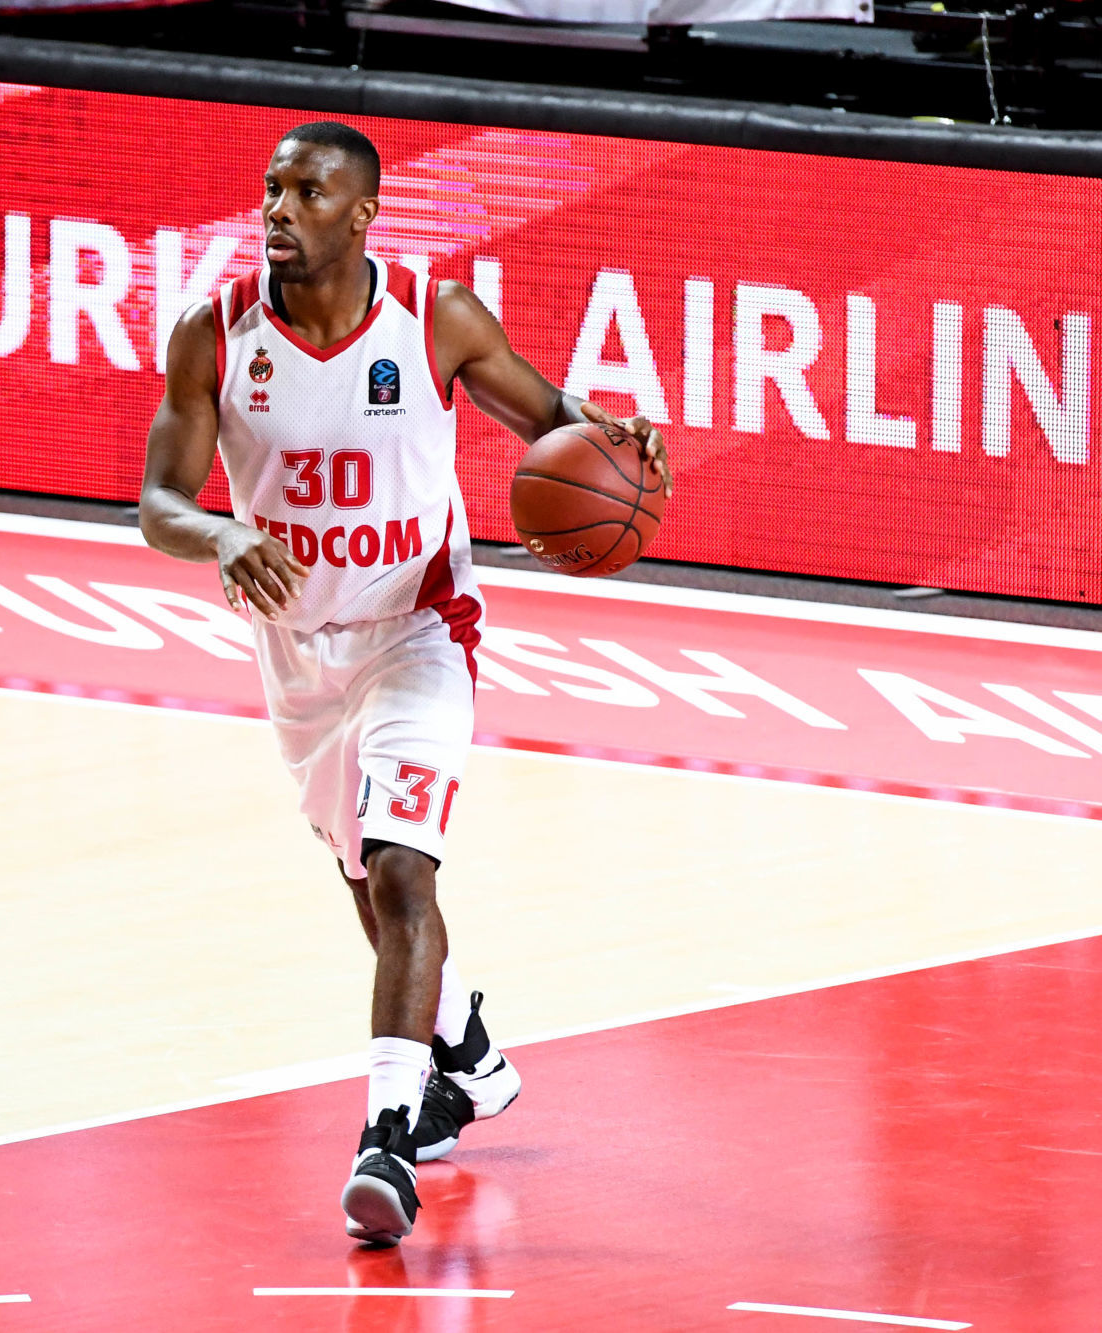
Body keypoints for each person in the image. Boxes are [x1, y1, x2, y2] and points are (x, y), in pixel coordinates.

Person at [138, 121, 669, 1246]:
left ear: (363, 213)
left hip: (417, 630)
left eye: (308, 192)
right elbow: (158, 502)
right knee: (362, 879)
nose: (279, 210)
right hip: (297, 650)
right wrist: (221, 535)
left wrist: (617, 443)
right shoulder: (213, 333)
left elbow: (549, 419)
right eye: (272, 188)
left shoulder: (435, 318)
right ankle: (466, 1054)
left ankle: (385, 1137)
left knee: (398, 869)